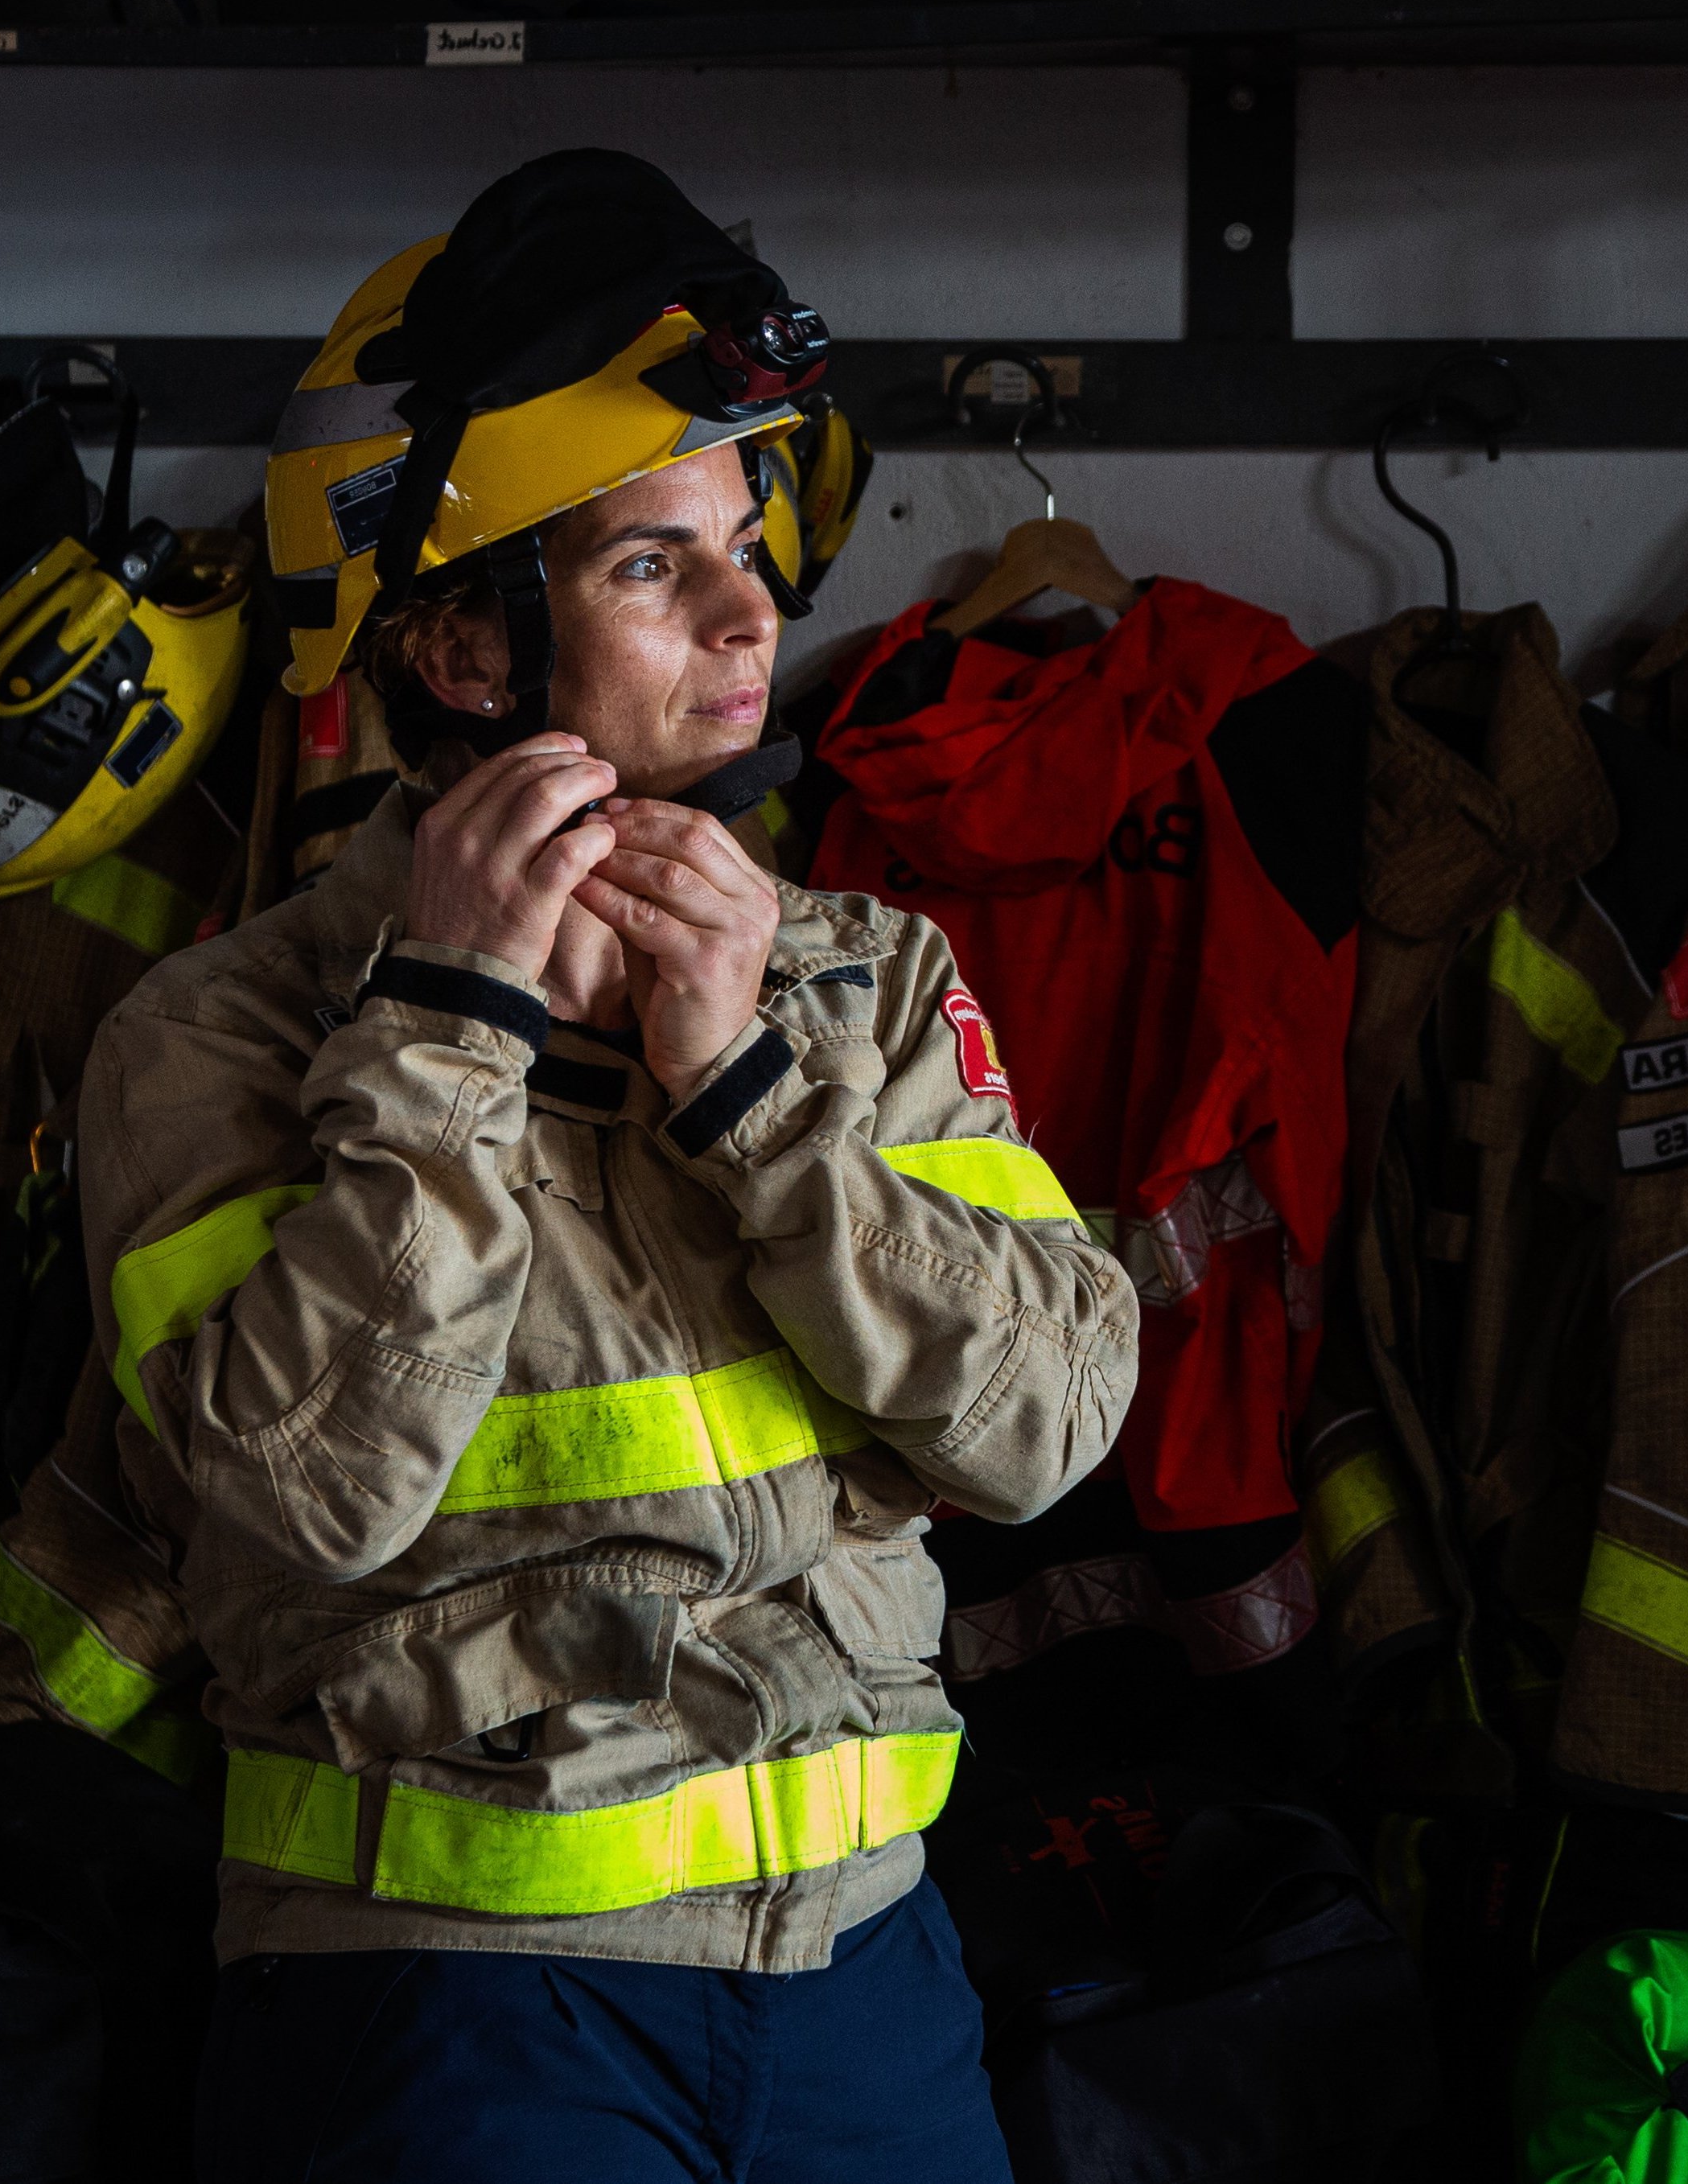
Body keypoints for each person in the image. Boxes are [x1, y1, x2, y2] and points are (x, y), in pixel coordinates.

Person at [91, 151, 1137, 2180]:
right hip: (452, 2000)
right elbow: (312, 1487)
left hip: (867, 1978)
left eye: (745, 547)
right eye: (653, 564)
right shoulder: (218, 1036)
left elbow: (1043, 1427)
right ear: (467, 652)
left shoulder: (867, 980)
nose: (754, 613)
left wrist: (753, 1084)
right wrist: (448, 1029)